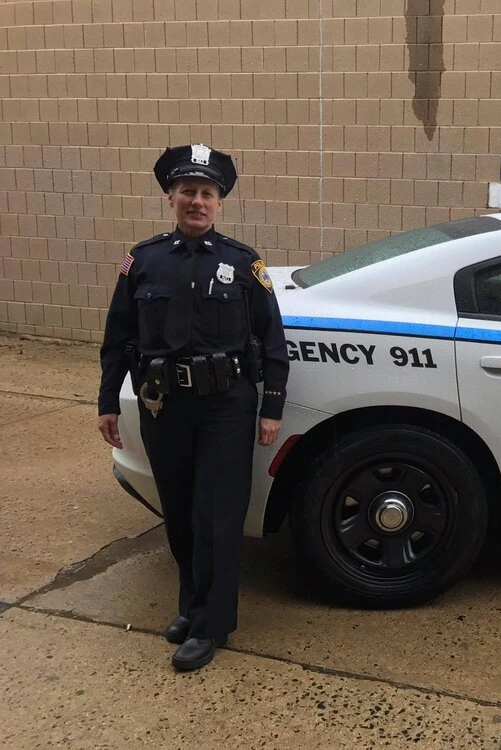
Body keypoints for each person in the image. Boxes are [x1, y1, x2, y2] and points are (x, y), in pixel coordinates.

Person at [97, 144, 289, 672]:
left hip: (226, 405)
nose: (197, 201)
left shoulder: (243, 263)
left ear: (220, 203)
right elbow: (118, 337)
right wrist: (108, 400)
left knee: (216, 518)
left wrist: (271, 407)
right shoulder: (142, 260)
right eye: (188, 192)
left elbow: (272, 342)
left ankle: (210, 625)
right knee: (178, 515)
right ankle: (192, 605)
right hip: (163, 406)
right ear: (171, 197)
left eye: (207, 193)